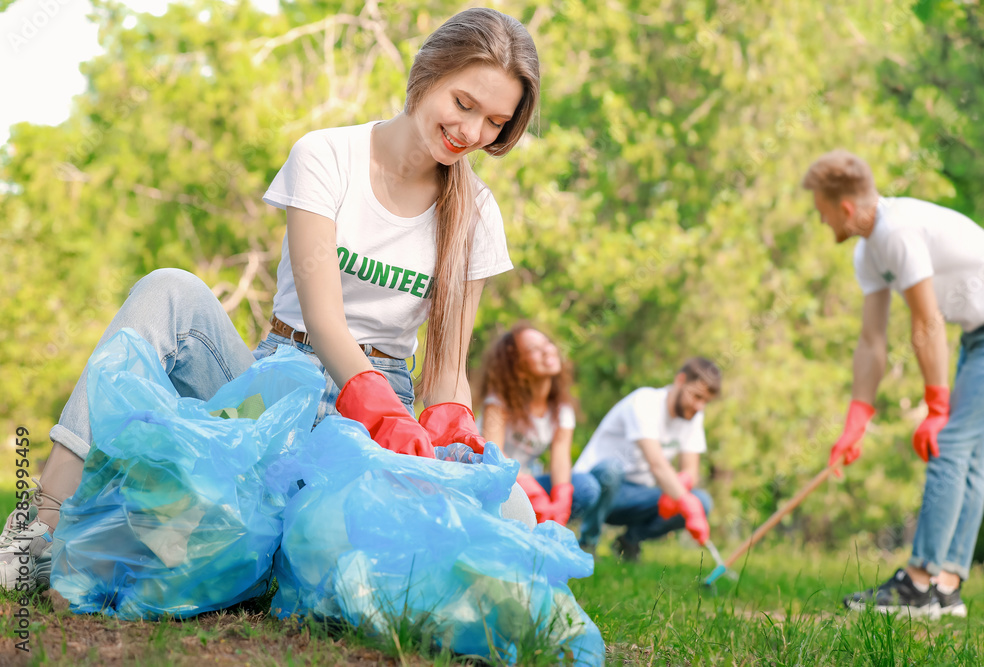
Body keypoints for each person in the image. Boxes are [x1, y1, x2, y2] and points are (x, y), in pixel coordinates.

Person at [0, 8, 541, 593]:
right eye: (464, 104)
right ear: (427, 73)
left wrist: (450, 427)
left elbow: (448, 367)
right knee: (168, 288)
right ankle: (42, 524)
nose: (473, 132)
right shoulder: (327, 156)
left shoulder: (478, 214)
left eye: (494, 122)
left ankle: (271, 543)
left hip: (386, 412)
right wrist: (377, 408)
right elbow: (324, 319)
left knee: (514, 515)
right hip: (284, 379)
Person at [804, 149, 984, 618]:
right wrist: (857, 419)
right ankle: (945, 589)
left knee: (950, 445)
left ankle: (917, 584)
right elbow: (872, 341)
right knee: (968, 457)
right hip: (982, 332)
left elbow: (927, 322)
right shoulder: (868, 250)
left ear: (845, 208)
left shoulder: (897, 231)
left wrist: (936, 407)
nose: (820, 218)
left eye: (822, 210)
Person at [571, 358, 721, 560]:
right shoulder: (644, 402)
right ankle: (587, 544)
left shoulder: (692, 416)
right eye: (696, 396)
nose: (700, 406)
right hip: (597, 489)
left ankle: (629, 542)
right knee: (612, 470)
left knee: (701, 501)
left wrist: (680, 490)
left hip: (639, 496)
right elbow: (657, 464)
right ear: (680, 380)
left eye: (705, 401)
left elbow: (691, 471)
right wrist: (685, 501)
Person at [479, 323, 601, 528]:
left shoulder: (561, 410)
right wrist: (531, 491)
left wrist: (561, 501)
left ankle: (546, 528)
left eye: (547, 343)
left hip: (529, 483)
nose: (547, 350)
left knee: (585, 487)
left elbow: (561, 462)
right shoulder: (498, 403)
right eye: (534, 349)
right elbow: (493, 453)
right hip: (495, 484)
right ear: (518, 368)